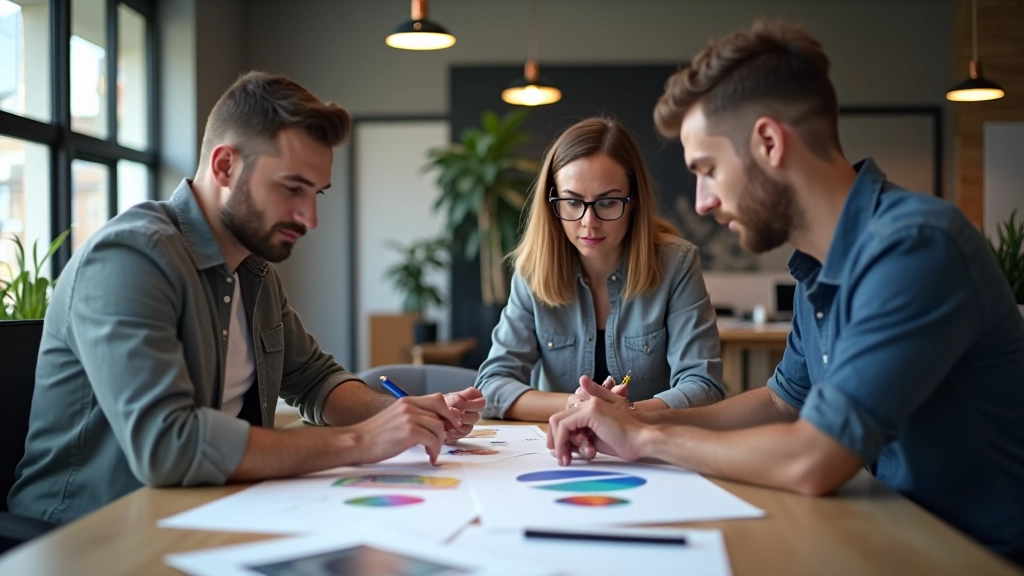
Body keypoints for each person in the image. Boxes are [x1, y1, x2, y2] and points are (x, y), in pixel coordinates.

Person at [546, 20, 1024, 563]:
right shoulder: (819, 264)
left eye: (708, 170)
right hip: (893, 533)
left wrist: (646, 442)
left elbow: (812, 460)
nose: (701, 202)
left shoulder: (915, 246)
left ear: (769, 142)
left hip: (977, 557)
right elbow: (781, 402)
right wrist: (641, 416)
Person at [8, 72, 485, 524]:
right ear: (225, 166)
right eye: (292, 188)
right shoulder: (130, 258)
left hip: (208, 509)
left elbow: (315, 381)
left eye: (317, 192)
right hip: (90, 535)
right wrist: (359, 441)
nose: (310, 217)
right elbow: (168, 446)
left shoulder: (253, 269)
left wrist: (404, 415)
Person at [475, 117, 723, 422]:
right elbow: (490, 387)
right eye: (572, 202)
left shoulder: (677, 264)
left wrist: (625, 413)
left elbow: (704, 387)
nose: (588, 222)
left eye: (607, 202)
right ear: (553, 202)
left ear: (633, 201)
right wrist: (576, 406)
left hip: (651, 447)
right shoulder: (532, 272)